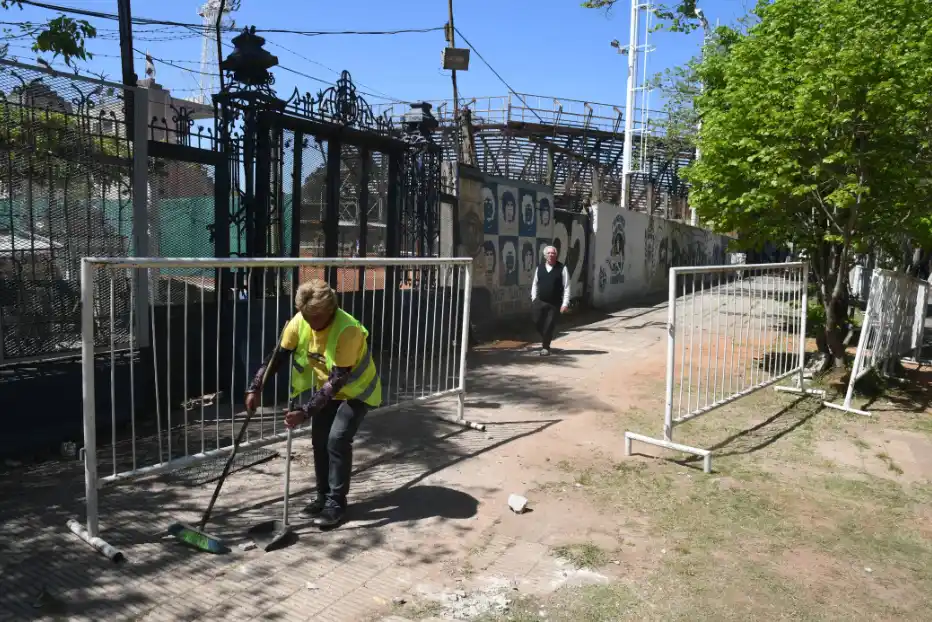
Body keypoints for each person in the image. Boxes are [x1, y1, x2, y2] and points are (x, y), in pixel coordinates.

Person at [245, 279, 381, 529]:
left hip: (356, 391)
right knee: (319, 441)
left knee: (337, 440)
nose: (308, 322)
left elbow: (337, 381)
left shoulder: (347, 330)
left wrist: (305, 411)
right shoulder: (301, 319)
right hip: (326, 390)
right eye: (304, 315)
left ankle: (336, 503)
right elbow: (278, 355)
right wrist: (255, 386)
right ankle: (322, 496)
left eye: (313, 317)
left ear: (329, 311)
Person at [530, 245, 571, 356]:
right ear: (545, 256)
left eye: (553, 253)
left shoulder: (562, 268)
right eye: (549, 253)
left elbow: (566, 286)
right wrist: (534, 298)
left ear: (556, 255)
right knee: (536, 321)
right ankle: (546, 337)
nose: (551, 255)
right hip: (540, 301)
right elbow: (535, 284)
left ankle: (545, 347)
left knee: (549, 325)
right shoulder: (540, 268)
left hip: (554, 303)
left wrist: (565, 303)